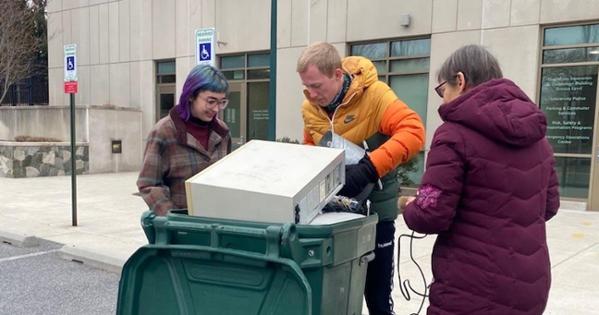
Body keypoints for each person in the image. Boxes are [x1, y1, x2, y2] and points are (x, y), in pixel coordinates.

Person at [402, 45, 560, 314]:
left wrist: (408, 205)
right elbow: (549, 206)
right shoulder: (538, 139)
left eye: (442, 90)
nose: (442, 100)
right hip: (529, 286)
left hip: (469, 287)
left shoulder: (452, 134)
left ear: (460, 81)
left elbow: (431, 215)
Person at [297, 42, 425, 315]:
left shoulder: (375, 95)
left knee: (377, 296)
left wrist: (370, 167)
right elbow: (310, 149)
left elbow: (413, 131)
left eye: (317, 86)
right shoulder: (310, 109)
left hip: (376, 209)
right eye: (306, 87)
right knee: (336, 291)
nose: (311, 94)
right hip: (334, 211)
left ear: (337, 74)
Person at [137, 65, 231, 216]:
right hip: (180, 227)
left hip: (216, 220)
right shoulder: (164, 132)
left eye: (222, 102)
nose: (216, 109)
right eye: (211, 101)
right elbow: (148, 184)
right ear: (191, 95)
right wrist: (172, 216)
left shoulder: (222, 132)